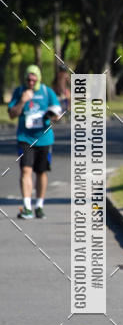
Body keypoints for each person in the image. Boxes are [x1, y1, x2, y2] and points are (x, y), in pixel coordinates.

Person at [8, 65, 61, 219]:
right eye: (28, 79)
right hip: (25, 138)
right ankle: (26, 207)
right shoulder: (19, 92)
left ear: (38, 78)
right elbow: (12, 114)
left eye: (33, 79)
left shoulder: (47, 92)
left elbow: (57, 114)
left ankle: (39, 205)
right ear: (25, 79)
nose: (31, 82)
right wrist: (22, 101)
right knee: (26, 170)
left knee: (41, 172)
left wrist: (52, 116)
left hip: (44, 138)